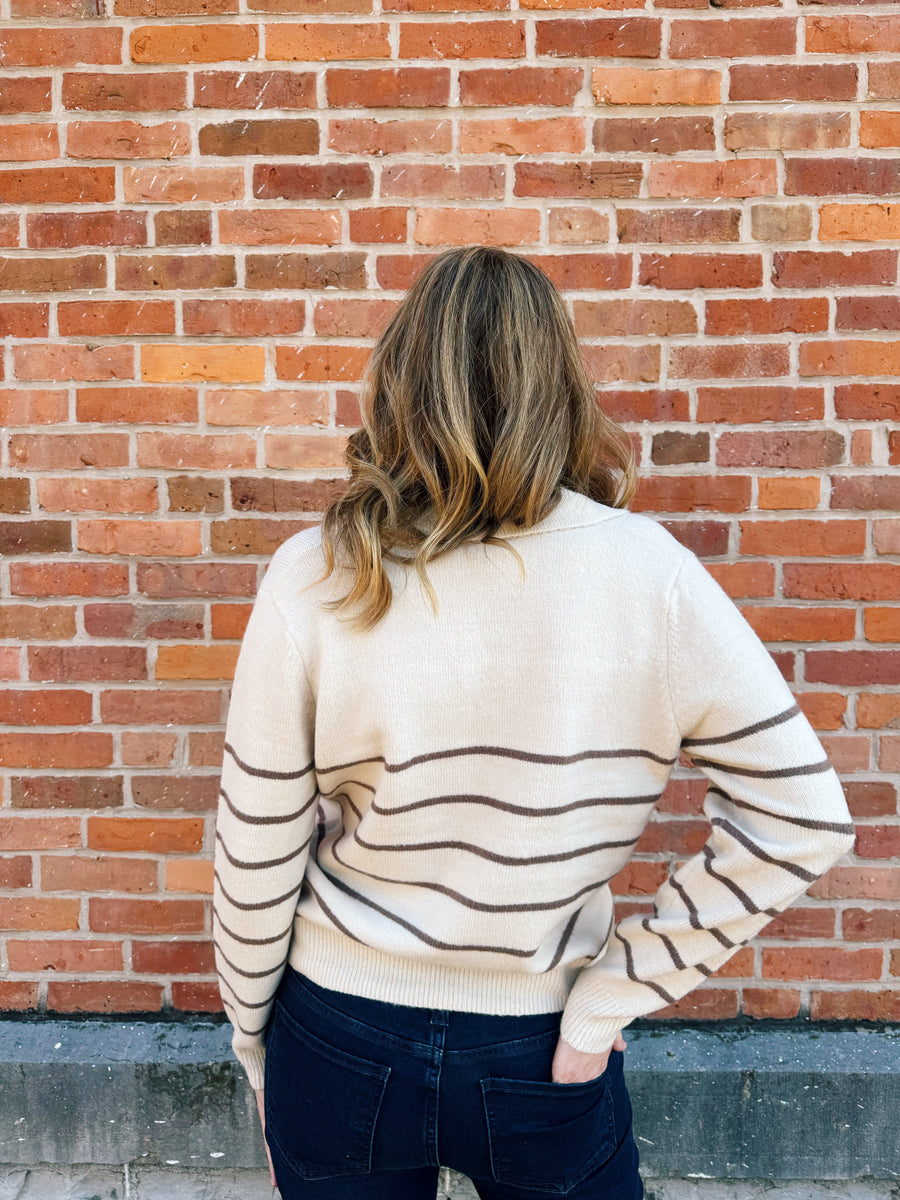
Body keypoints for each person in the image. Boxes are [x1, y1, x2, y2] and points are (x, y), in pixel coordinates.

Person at [212, 245, 855, 1200]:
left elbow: (255, 845)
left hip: (340, 1031)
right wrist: (608, 1000)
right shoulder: (650, 572)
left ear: (398, 377)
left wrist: (257, 1045)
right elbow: (801, 818)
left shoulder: (316, 571)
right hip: (542, 1041)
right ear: (559, 382)